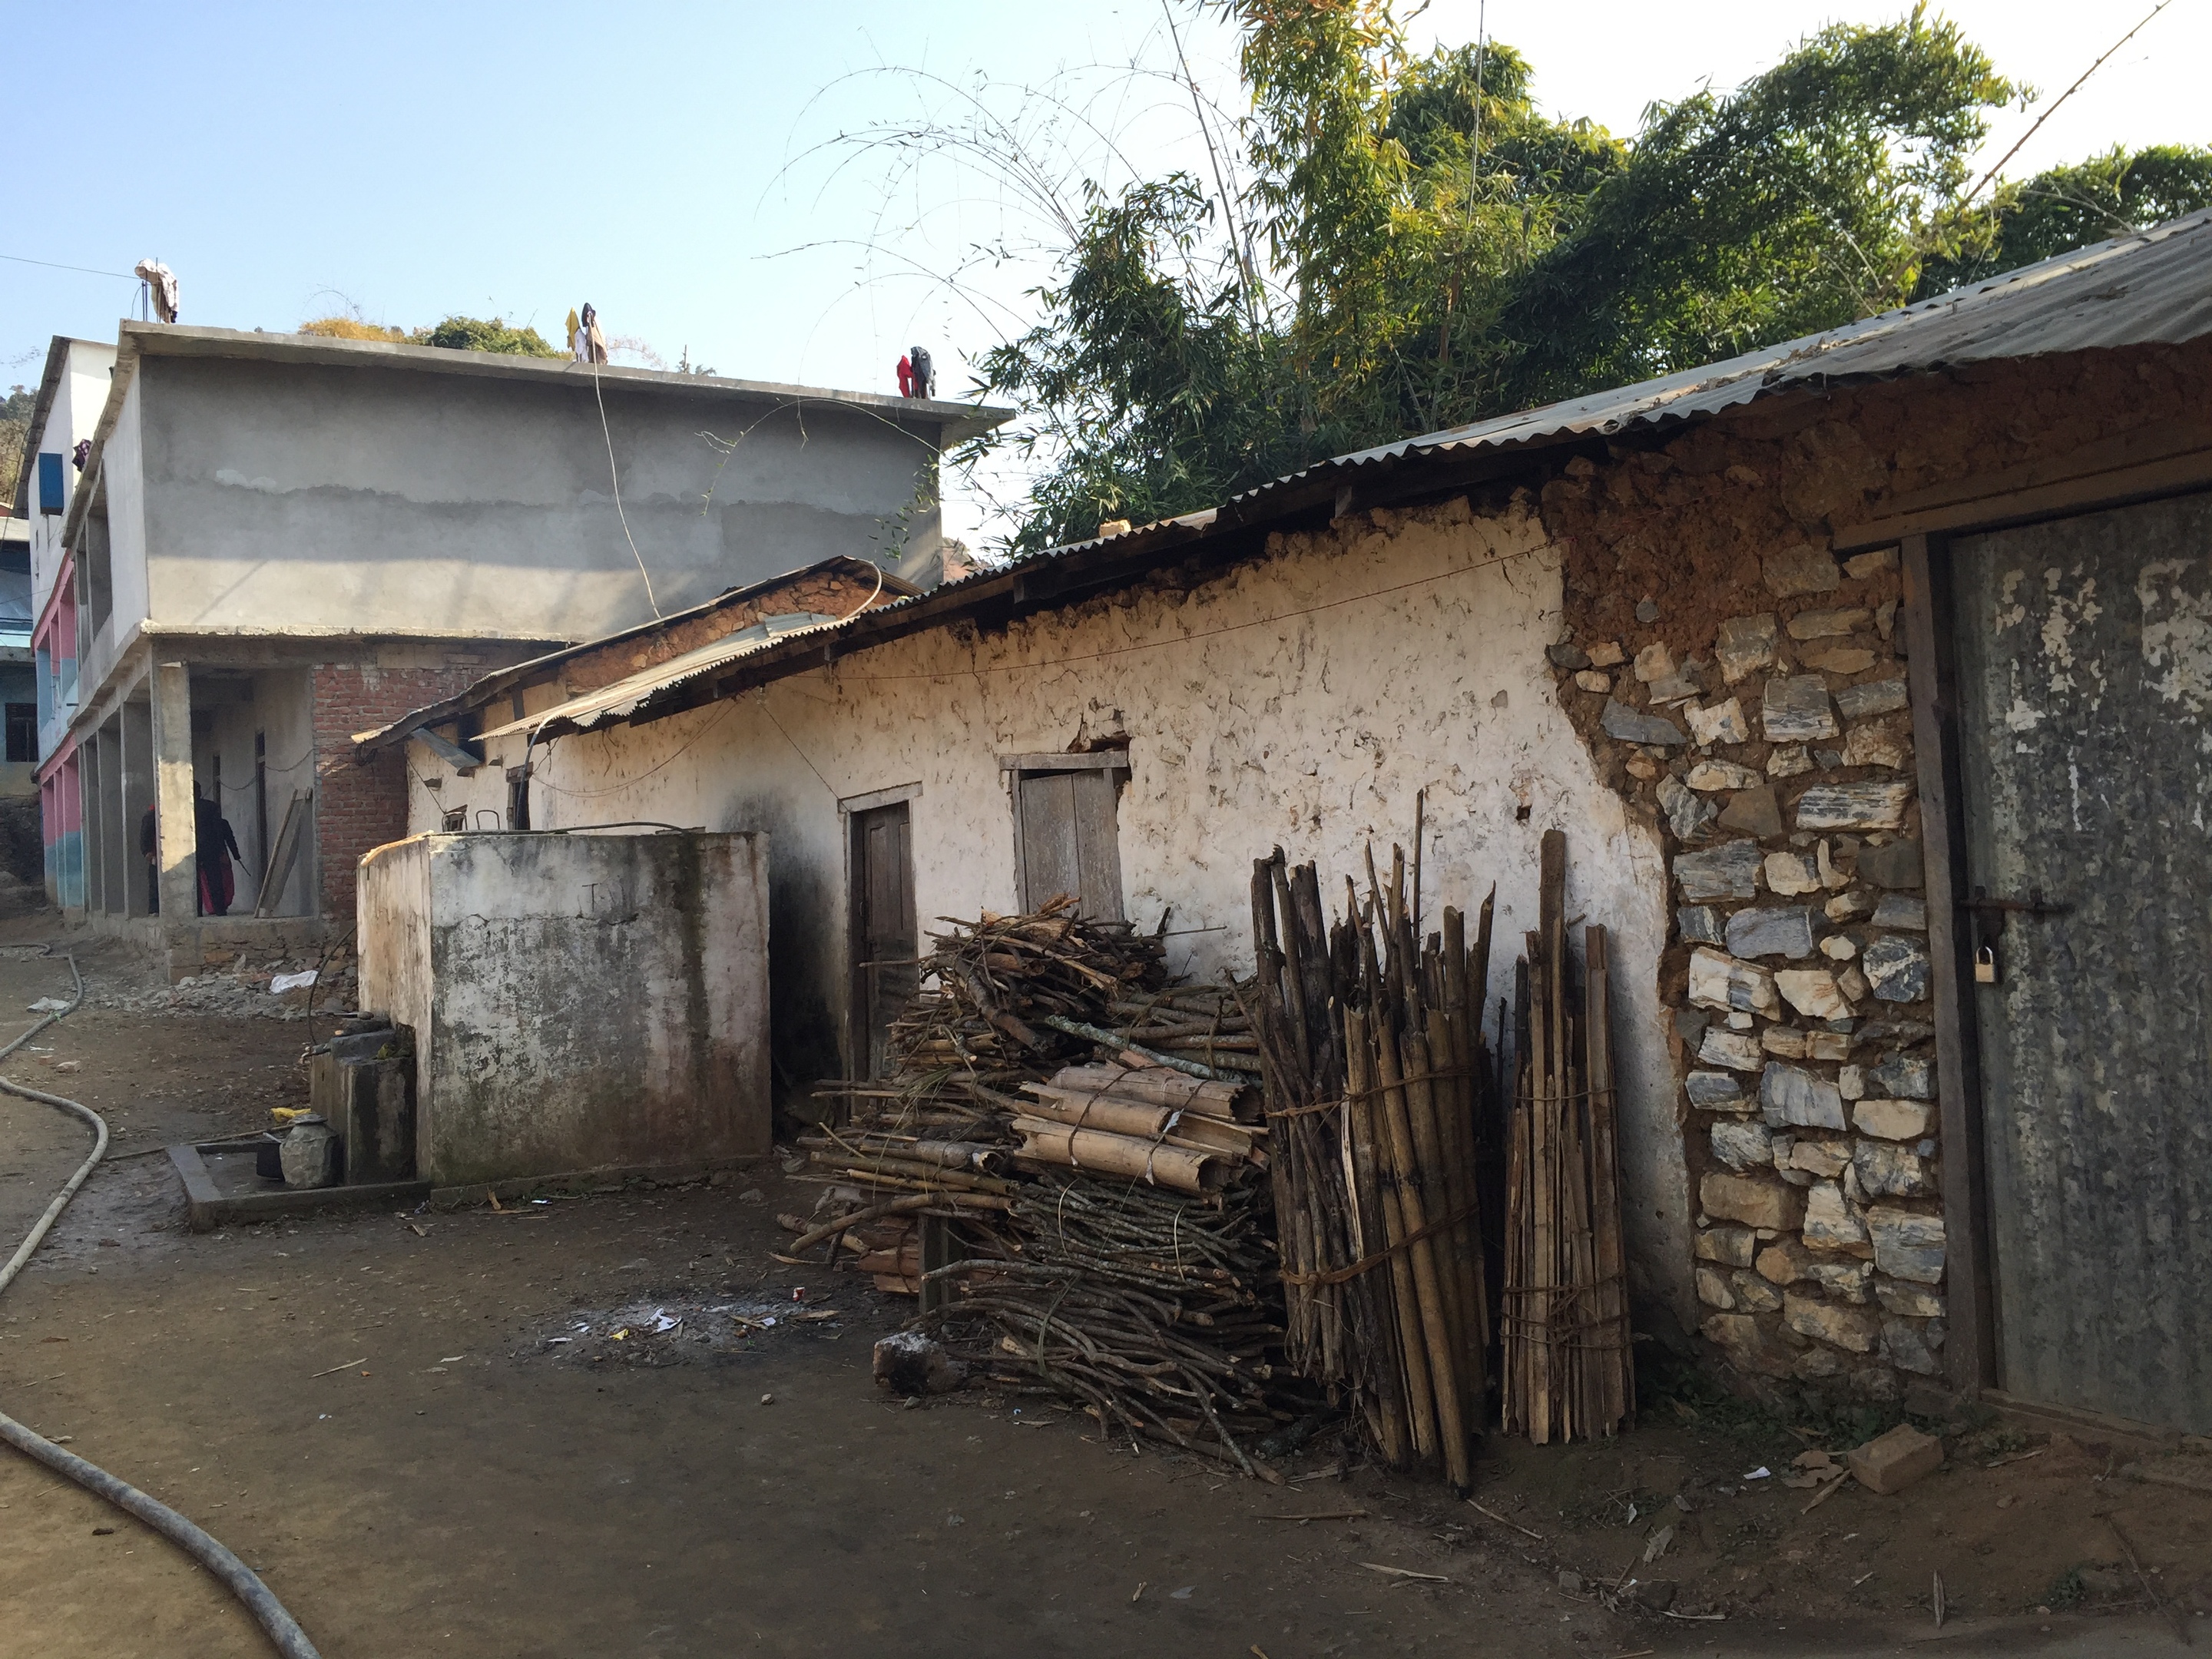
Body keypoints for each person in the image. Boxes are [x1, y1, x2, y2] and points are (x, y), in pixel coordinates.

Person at [194, 786, 243, 917]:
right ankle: (220, 909)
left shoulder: (184, 808)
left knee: (195, 882)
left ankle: (196, 911)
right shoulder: (211, 807)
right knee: (215, 880)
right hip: (211, 849)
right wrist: (224, 852)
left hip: (191, 850)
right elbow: (219, 830)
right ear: (200, 792)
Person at [138, 804, 159, 914]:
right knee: (154, 881)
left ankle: (155, 909)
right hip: (155, 853)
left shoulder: (150, 815)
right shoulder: (151, 816)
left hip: (156, 852)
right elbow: (145, 834)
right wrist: (147, 851)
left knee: (155, 881)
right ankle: (154, 909)